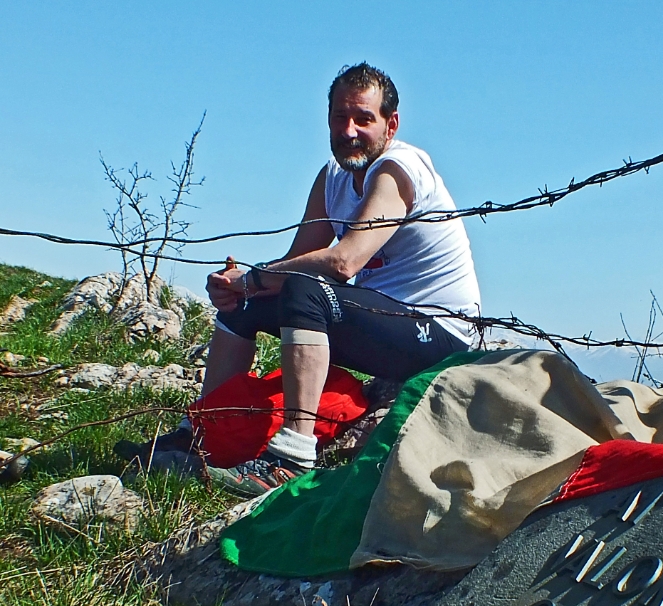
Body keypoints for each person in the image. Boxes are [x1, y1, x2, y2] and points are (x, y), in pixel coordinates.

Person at [176, 62, 479, 493]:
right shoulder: (333, 177)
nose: (350, 130)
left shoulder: (399, 169)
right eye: (340, 117)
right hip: (382, 322)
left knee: (304, 291)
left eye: (364, 119)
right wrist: (239, 284)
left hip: (437, 332)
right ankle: (203, 436)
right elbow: (299, 259)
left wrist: (257, 278)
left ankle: (293, 455)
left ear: (390, 125)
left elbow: (343, 263)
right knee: (244, 304)